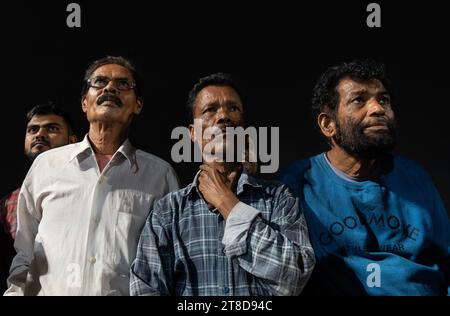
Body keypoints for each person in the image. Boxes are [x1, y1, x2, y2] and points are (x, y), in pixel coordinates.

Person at [5, 56, 180, 296]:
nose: (110, 88)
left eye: (122, 84)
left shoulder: (160, 176)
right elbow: (24, 250)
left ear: (138, 105)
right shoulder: (46, 165)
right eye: (99, 82)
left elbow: (167, 262)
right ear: (84, 103)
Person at [130, 73, 315, 296]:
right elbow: (145, 289)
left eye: (233, 109)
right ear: (192, 133)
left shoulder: (278, 199)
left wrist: (229, 205)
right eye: (210, 110)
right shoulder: (168, 212)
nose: (224, 116)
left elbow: (296, 275)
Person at [280, 59, 450, 295]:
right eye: (359, 100)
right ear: (328, 124)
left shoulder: (415, 176)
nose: (377, 109)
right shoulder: (298, 183)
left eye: (384, 99)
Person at [0, 103, 77, 293]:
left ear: (72, 140)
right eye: (32, 129)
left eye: (52, 128)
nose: (39, 134)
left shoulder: (87, 192)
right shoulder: (8, 203)